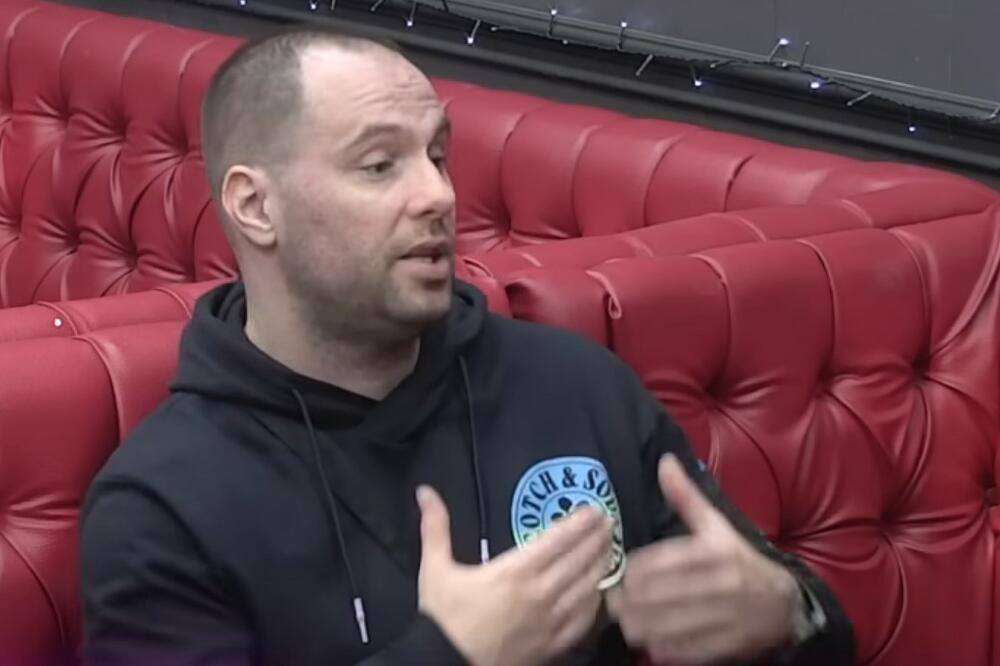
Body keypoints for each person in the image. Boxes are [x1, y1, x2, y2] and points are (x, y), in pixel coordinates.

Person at [80, 26, 856, 666]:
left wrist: (789, 613)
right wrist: (453, 654)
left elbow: (809, 624)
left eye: (439, 156)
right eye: (380, 165)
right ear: (256, 206)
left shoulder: (575, 385)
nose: (439, 195)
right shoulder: (162, 505)